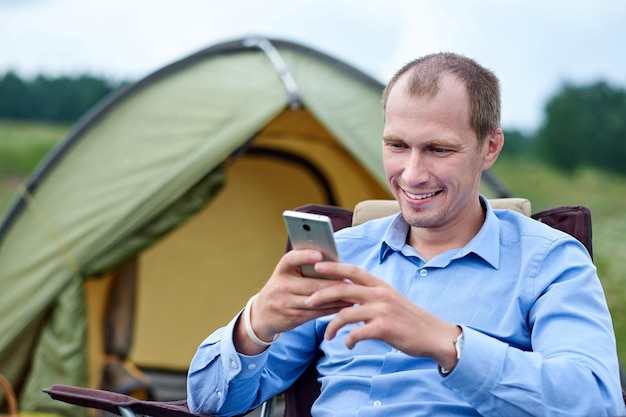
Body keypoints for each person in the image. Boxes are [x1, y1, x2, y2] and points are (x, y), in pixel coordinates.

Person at [187, 52, 625, 416]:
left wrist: (446, 343)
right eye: (397, 145)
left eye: (438, 149)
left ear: (489, 148)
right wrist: (255, 326)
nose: (412, 175)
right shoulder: (342, 255)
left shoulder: (550, 261)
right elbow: (210, 403)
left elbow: (598, 402)